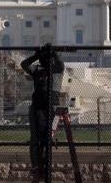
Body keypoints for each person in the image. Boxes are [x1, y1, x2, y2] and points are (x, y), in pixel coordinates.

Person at [21, 43, 65, 183]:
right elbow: (24, 64)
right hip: (37, 107)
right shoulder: (37, 70)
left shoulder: (56, 70)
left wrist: (53, 53)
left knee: (47, 138)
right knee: (35, 139)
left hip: (51, 107)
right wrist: (36, 55)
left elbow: (60, 64)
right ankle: (36, 166)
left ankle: (45, 165)